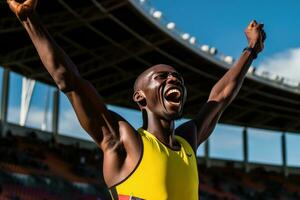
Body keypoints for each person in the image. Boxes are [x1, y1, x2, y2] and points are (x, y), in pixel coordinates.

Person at [7, 0, 265, 199]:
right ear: (139, 97)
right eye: (161, 77)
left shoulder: (188, 142)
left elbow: (220, 97)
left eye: (177, 78)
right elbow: (70, 81)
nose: (173, 80)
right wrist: (30, 21)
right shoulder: (122, 141)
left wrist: (251, 50)